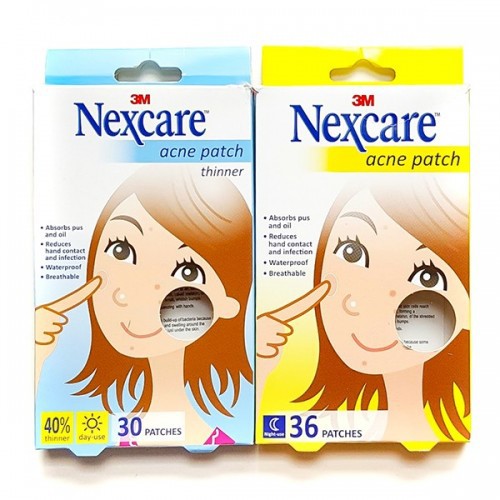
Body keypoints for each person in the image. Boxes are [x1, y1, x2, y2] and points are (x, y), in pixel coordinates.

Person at [36, 166, 253, 444]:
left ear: (228, 305)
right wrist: (36, 357)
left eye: (187, 272)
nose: (133, 294)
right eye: (121, 249)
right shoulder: (75, 410)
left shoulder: (236, 429)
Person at [257, 175, 469, 443]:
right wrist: (258, 372)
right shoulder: (303, 421)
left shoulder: (448, 429)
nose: (363, 303)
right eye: (351, 252)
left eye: (427, 277)